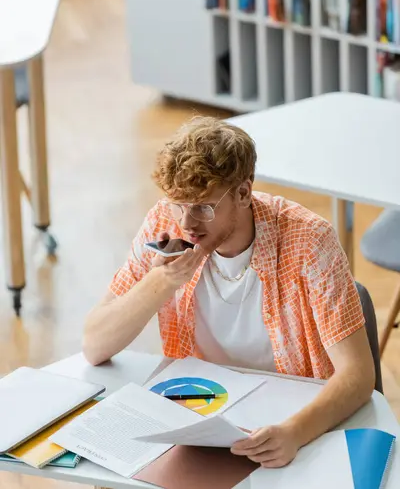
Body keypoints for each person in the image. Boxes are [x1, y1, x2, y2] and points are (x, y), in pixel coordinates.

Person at [83, 116, 375, 469]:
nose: (187, 223)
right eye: (178, 205)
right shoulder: (165, 223)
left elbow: (358, 375)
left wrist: (294, 433)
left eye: (203, 208)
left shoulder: (309, 241)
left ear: (243, 193)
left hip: (293, 425)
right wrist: (159, 284)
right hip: (203, 420)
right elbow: (94, 345)